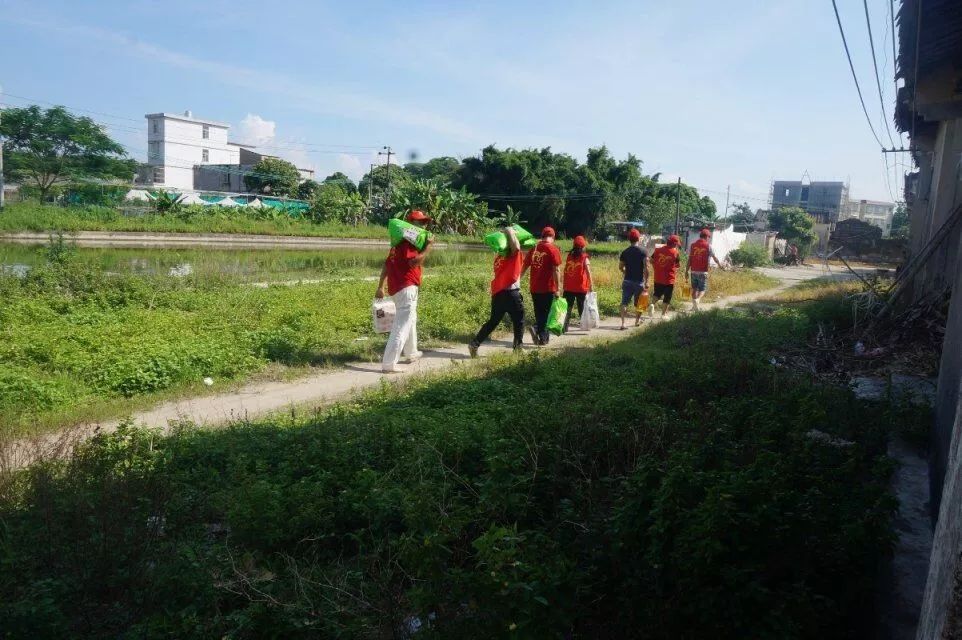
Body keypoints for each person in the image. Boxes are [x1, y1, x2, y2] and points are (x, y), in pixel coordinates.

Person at [375, 210, 433, 373]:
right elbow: (414, 262)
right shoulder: (409, 243)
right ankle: (389, 364)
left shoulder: (397, 243)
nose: (423, 225)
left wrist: (381, 286)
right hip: (406, 287)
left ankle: (411, 353)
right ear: (410, 224)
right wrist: (428, 247)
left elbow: (387, 265)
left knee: (411, 319)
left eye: (424, 222)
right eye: (419, 222)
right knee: (402, 325)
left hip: (397, 287)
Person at [468, 226, 525, 357]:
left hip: (498, 293)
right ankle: (518, 349)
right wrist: (510, 231)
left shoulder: (499, 257)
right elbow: (516, 247)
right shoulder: (512, 255)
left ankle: (475, 343)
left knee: (493, 321)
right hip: (512, 293)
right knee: (519, 320)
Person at [521, 226, 562, 345]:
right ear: (553, 237)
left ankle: (543, 339)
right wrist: (558, 288)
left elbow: (524, 266)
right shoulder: (553, 249)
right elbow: (556, 270)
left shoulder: (534, 248)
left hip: (534, 287)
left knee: (539, 313)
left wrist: (517, 280)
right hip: (547, 288)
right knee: (547, 314)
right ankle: (536, 328)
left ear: (542, 236)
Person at [685, 228, 723, 311]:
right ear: (707, 237)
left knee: (694, 289)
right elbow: (714, 258)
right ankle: (697, 300)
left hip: (693, 271)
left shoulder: (693, 245)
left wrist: (686, 271)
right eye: (708, 237)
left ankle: (694, 307)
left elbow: (689, 259)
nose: (708, 239)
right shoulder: (708, 246)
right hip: (703, 271)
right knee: (702, 289)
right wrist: (720, 265)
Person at [618, 228, 649, 329]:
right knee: (640, 303)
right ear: (638, 239)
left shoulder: (625, 252)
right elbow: (646, 268)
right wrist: (647, 281)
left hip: (627, 281)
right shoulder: (643, 251)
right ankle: (637, 321)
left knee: (624, 302)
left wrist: (625, 272)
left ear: (629, 239)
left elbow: (620, 267)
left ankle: (623, 323)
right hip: (639, 282)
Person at [562, 235, 593, 332]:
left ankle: (564, 327)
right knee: (582, 308)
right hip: (581, 287)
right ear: (583, 246)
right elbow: (588, 272)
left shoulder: (569, 256)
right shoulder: (585, 257)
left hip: (568, 287)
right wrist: (591, 285)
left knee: (567, 308)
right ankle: (584, 326)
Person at [649, 234, 682, 318]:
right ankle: (663, 314)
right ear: (674, 244)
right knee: (667, 296)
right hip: (669, 279)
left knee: (657, 293)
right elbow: (678, 265)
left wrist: (656, 267)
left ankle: (652, 304)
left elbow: (651, 260)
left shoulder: (657, 250)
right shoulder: (675, 253)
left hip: (658, 277)